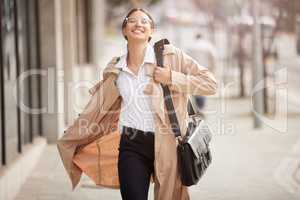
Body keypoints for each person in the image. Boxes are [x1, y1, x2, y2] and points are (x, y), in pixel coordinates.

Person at [57, 8, 217, 200]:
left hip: (168, 144)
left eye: (144, 21)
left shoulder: (171, 57)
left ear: (151, 31)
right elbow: (98, 106)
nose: (138, 24)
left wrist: (172, 77)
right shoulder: (116, 68)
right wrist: (76, 131)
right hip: (131, 145)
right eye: (132, 21)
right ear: (124, 30)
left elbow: (211, 84)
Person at [186, 33, 217, 116]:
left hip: (193, 71)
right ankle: (201, 108)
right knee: (203, 90)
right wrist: (213, 69)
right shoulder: (208, 46)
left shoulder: (191, 47)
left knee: (195, 90)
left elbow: (186, 60)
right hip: (205, 70)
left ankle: (199, 108)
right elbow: (214, 57)